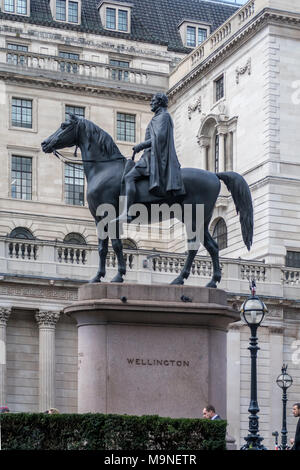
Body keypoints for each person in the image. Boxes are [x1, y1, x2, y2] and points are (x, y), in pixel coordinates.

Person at [114, 92, 185, 223]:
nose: (151, 103)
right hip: (149, 155)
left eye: (153, 100)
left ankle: (127, 213)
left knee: (129, 177)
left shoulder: (164, 116)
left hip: (154, 158)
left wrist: (141, 145)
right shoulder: (158, 117)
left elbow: (159, 139)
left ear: (159, 102)